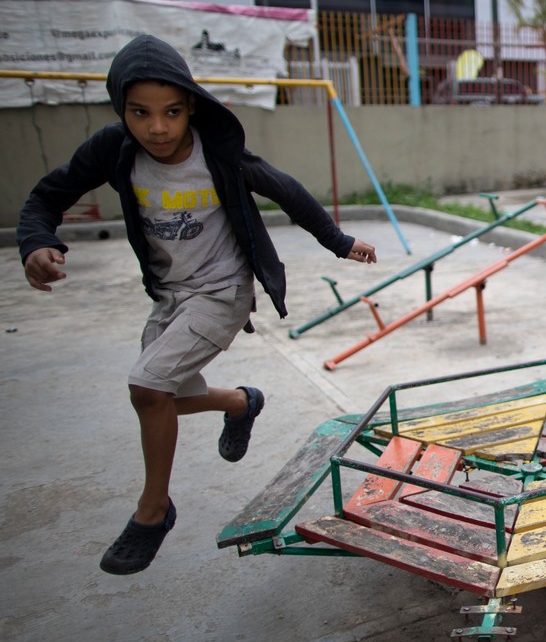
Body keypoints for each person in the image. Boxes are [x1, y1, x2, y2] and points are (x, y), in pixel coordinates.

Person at [17, 34, 378, 576]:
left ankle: (153, 511)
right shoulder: (113, 151)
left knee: (147, 386)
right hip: (171, 295)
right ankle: (239, 402)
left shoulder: (216, 151)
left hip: (223, 291)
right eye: (140, 113)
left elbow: (285, 188)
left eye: (172, 112)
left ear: (190, 107)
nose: (157, 128)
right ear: (122, 110)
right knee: (158, 398)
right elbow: (48, 195)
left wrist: (339, 241)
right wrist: (37, 241)